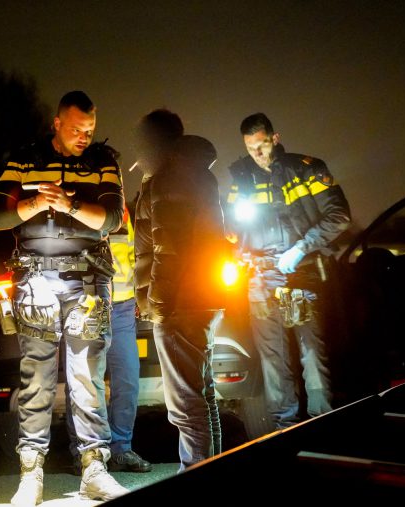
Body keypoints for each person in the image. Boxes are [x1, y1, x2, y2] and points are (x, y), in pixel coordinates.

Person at [0, 90, 129, 506]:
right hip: (35, 281)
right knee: (37, 378)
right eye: (77, 129)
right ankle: (31, 474)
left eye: (90, 130)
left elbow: (113, 219)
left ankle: (94, 469)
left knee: (87, 377)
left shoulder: (103, 162)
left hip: (87, 282)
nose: (85, 137)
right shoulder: (24, 160)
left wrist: (70, 203)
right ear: (57, 123)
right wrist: (34, 203)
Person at [225, 112, 351, 430]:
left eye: (262, 145)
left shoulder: (307, 169)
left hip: (302, 273)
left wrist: (302, 248)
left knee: (312, 353)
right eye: (250, 148)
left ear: (275, 138)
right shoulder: (242, 180)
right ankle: (285, 429)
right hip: (261, 279)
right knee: (273, 360)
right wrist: (234, 245)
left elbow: (339, 216)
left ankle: (322, 424)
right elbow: (231, 228)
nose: (257, 154)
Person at [133, 108, 226, 471]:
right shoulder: (193, 172)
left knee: (186, 406)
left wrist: (157, 303)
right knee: (203, 398)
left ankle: (196, 482)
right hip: (201, 297)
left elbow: (168, 249)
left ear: (154, 143)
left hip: (180, 303)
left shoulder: (169, 177)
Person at [64, 205, 152, 474]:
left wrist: (139, 295)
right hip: (89, 303)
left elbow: (134, 255)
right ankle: (84, 452)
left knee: (128, 380)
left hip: (123, 307)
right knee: (84, 381)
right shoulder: (84, 204)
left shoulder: (122, 210)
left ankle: (121, 450)